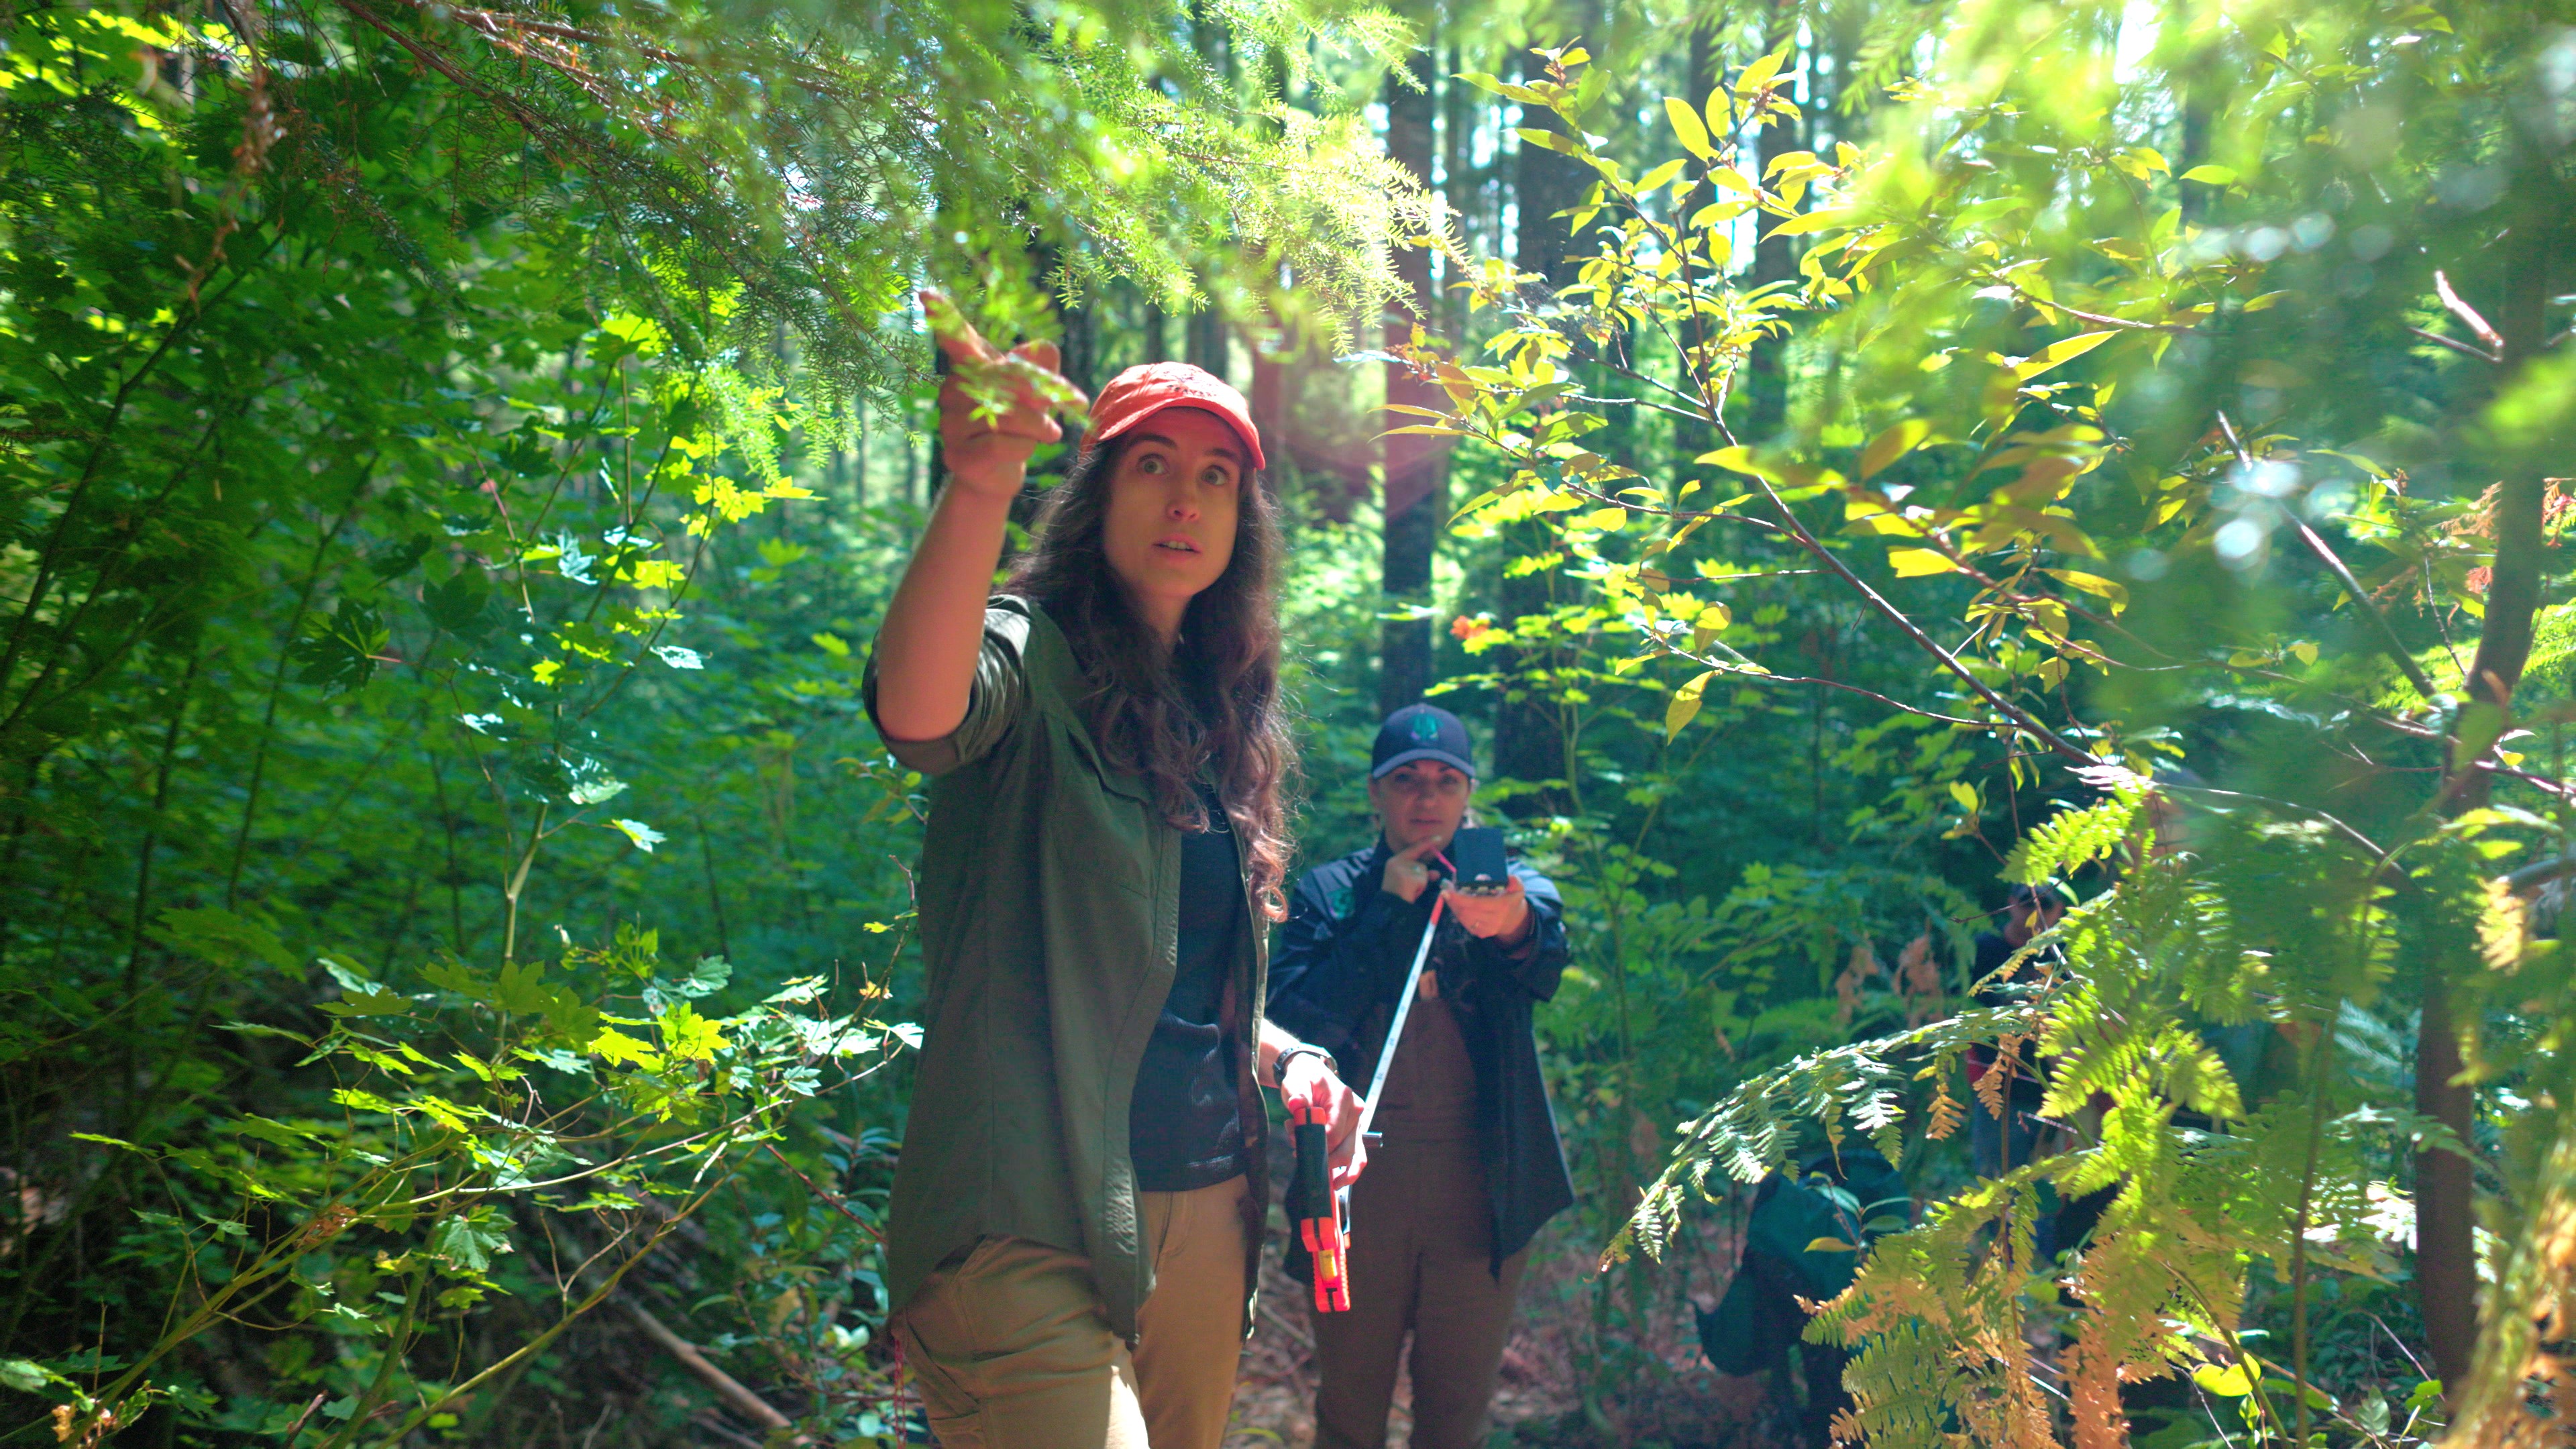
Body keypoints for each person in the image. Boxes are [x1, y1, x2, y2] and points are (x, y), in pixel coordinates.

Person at [864, 297, 1367, 1449]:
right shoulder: (1028, 652)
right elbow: (919, 710)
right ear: (1098, 496)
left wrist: (1293, 1060)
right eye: (1151, 465)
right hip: (1025, 1216)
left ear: (1244, 517)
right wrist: (980, 485)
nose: (1185, 497)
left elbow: (1168, 981)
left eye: (1215, 477)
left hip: (1203, 1215)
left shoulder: (1221, 711)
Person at [1266, 704, 1576, 1449]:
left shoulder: (1506, 884)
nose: (1427, 798)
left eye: (1446, 781)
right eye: (1406, 780)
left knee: (1457, 1413)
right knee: (1349, 1408)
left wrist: (1502, 920)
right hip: (1353, 1183)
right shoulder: (1329, 894)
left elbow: (1541, 952)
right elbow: (1290, 1020)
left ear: (1469, 794)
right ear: (1377, 793)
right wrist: (1387, 914)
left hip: (1478, 1182)